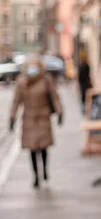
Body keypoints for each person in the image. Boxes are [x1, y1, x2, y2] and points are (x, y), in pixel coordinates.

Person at [9, 57, 63, 188]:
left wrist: (60, 112)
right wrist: (12, 117)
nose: (33, 69)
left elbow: (54, 98)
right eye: (30, 66)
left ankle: (44, 170)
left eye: (35, 66)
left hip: (43, 116)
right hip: (29, 118)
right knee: (32, 148)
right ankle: (36, 176)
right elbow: (16, 101)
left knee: (43, 147)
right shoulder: (22, 82)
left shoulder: (46, 80)